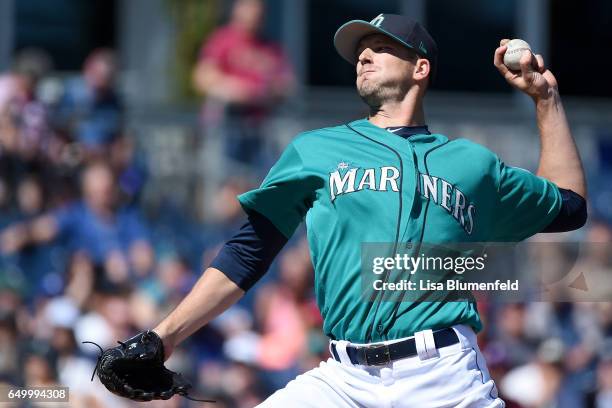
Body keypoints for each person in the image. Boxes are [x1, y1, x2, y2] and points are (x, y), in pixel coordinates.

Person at [147, 14, 587, 407]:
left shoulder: (472, 165)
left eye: (380, 47)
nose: (364, 56)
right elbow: (248, 252)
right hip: (343, 380)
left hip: (444, 378)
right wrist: (163, 336)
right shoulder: (315, 150)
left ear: (420, 67)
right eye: (360, 52)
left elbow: (569, 204)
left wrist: (546, 101)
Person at [193, 0, 294, 171]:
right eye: (250, 8)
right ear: (237, 10)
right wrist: (236, 89)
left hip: (260, 131)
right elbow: (202, 77)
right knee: (227, 183)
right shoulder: (222, 40)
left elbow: (287, 85)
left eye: (258, 11)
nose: (254, 15)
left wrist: (263, 91)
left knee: (263, 183)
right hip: (227, 128)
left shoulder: (270, 47)